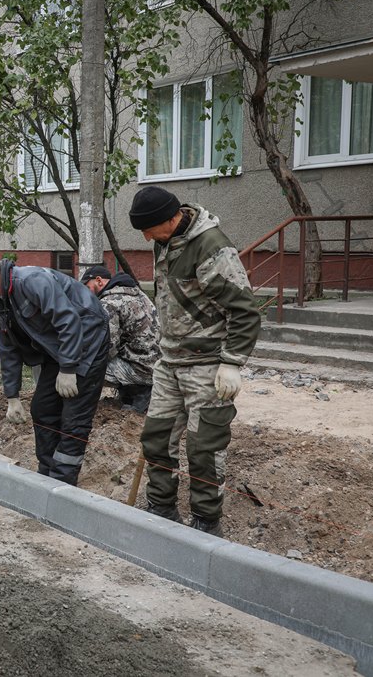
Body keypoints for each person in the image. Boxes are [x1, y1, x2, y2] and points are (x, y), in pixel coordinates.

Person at [129, 186, 260, 537]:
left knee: (204, 447)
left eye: (149, 229)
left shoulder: (211, 248)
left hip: (207, 364)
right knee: (156, 439)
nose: (145, 237)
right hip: (169, 361)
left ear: (173, 218)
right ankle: (161, 510)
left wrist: (232, 362)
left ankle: (205, 522)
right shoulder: (166, 240)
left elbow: (245, 312)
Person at [0, 251, 110, 486]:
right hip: (59, 347)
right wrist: (12, 396)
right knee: (42, 409)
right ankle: (47, 474)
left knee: (74, 419)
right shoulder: (0, 301)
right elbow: (8, 347)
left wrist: (69, 368)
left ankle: (63, 483)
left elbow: (68, 321)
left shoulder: (32, 282)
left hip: (88, 339)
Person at [80, 265, 161, 413]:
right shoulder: (138, 294)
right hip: (157, 364)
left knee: (86, 365)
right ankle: (132, 392)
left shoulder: (109, 303)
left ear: (98, 281)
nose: (86, 293)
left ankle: (141, 392)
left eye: (87, 287)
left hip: (141, 369)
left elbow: (107, 347)